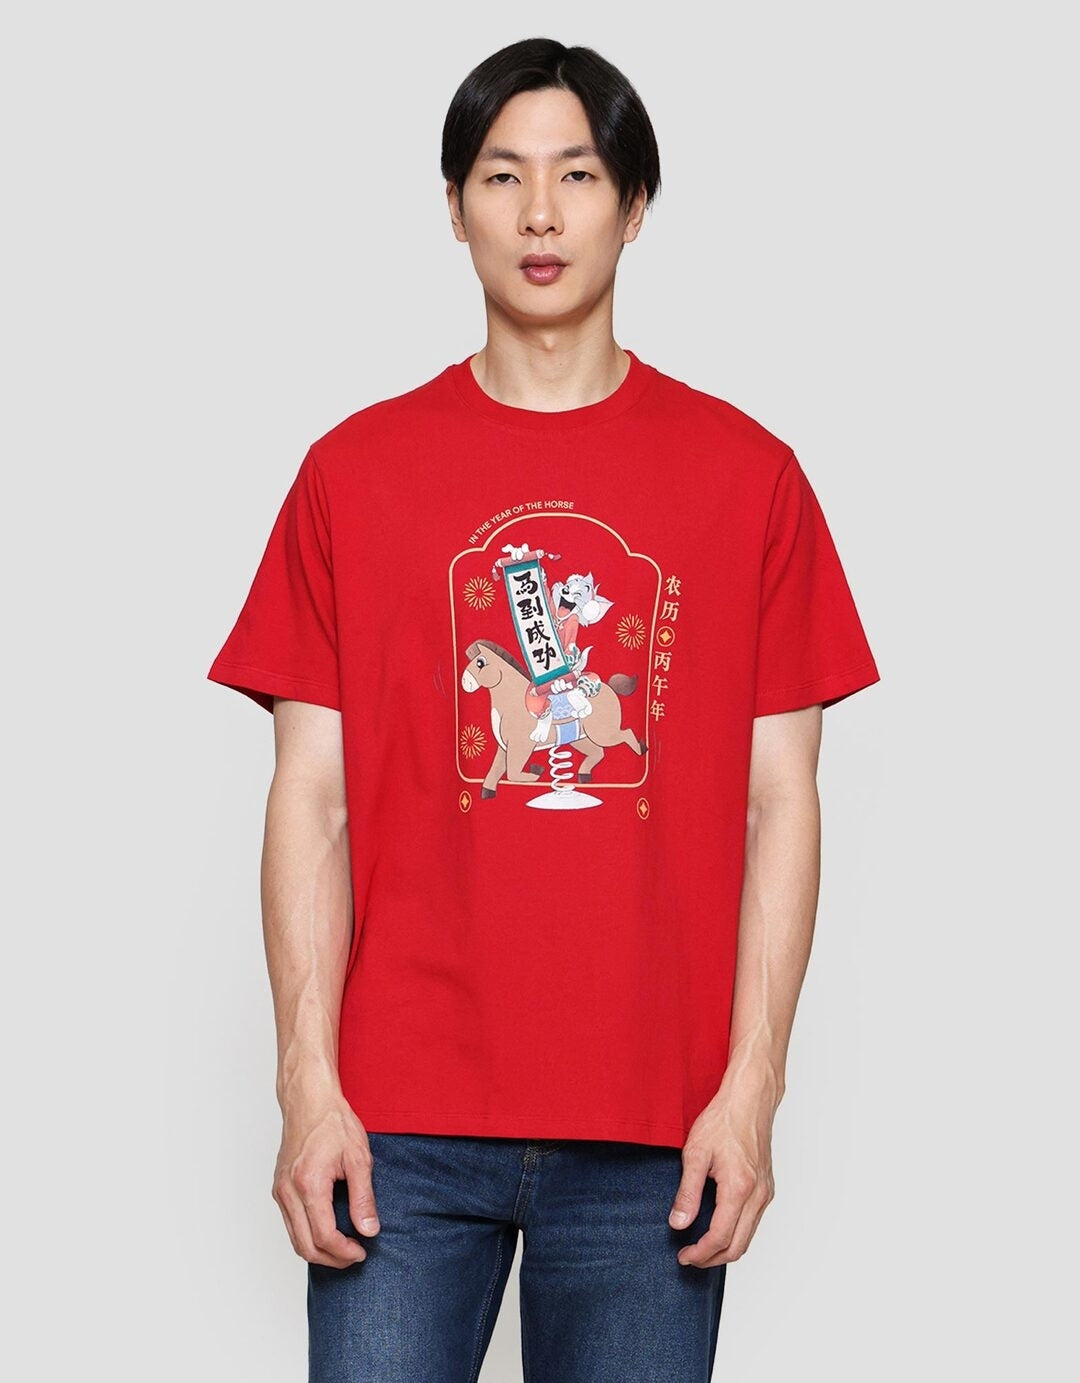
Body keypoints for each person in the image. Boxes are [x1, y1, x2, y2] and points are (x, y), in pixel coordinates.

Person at [207, 35, 880, 1383]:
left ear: (635, 207)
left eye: (577, 175)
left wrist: (752, 1093)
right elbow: (311, 802)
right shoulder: (353, 474)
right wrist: (307, 1087)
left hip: (653, 1133)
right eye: (502, 176)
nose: (540, 213)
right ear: (453, 208)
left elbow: (781, 804)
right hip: (395, 1126)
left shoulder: (749, 478)